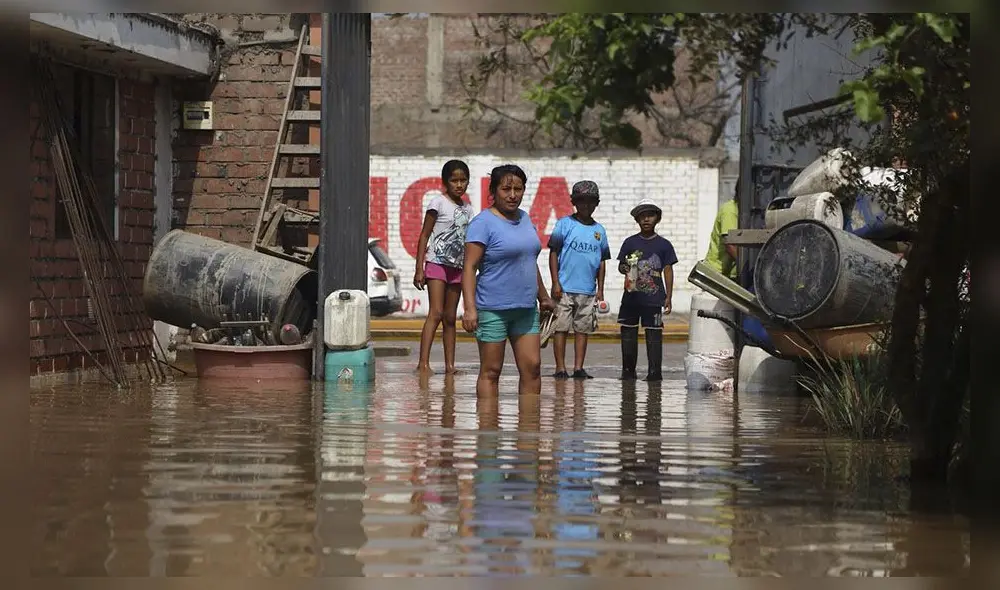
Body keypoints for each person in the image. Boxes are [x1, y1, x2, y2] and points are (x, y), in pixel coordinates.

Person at [462, 164, 556, 397]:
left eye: (518, 189)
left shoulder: (525, 219)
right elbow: (469, 267)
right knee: (491, 371)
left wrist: (543, 297)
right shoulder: (482, 223)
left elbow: (529, 261)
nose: (513, 195)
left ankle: (529, 428)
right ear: (493, 191)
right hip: (493, 309)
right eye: (506, 189)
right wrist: (470, 309)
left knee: (532, 368)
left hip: (526, 309)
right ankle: (488, 429)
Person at [413, 159, 473, 374]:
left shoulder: (468, 208)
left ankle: (450, 365)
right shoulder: (437, 203)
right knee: (436, 313)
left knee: (450, 317)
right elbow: (424, 235)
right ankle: (423, 363)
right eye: (454, 180)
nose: (459, 185)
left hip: (457, 267)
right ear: (445, 182)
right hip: (437, 263)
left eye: (463, 180)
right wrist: (419, 268)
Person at [547, 180, 611, 379]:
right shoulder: (564, 224)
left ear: (597, 203)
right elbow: (553, 254)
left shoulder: (599, 230)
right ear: (574, 202)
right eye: (582, 201)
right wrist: (556, 282)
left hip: (588, 290)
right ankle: (560, 367)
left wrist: (600, 289)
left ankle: (578, 368)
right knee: (561, 329)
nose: (586, 206)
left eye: (591, 202)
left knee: (583, 329)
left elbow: (602, 262)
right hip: (565, 288)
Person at [616, 199, 678, 381]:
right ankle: (628, 372)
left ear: (657, 219)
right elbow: (621, 265)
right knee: (628, 332)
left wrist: (668, 297)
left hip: (654, 298)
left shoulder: (664, 245)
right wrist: (625, 269)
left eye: (650, 215)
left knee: (654, 335)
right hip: (631, 298)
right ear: (637, 220)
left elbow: (668, 270)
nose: (646, 220)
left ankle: (654, 373)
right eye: (642, 216)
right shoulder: (630, 243)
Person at [703, 181, 740, 280]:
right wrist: (745, 267)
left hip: (729, 273)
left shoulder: (744, 213)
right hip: (717, 272)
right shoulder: (730, 210)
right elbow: (730, 245)